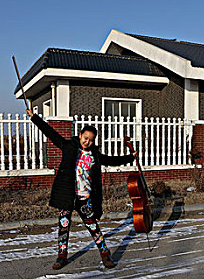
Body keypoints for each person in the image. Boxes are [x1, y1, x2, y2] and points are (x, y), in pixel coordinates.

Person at [26, 109, 136, 270]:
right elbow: (50, 133)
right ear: (80, 135)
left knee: (93, 227)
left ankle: (105, 254)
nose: (87, 142)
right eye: (85, 138)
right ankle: (61, 257)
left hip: (84, 198)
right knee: (63, 227)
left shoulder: (95, 155)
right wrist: (35, 118)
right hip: (67, 196)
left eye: (91, 140)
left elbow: (112, 160)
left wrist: (131, 157)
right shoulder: (69, 146)